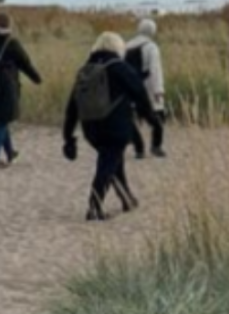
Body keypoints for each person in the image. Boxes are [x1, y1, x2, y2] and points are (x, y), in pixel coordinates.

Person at [64, 32, 163, 220]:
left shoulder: (86, 69)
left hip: (91, 128)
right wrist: (152, 120)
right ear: (118, 47)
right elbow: (140, 95)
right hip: (116, 125)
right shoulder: (120, 68)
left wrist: (68, 136)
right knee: (108, 162)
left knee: (113, 160)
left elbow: (72, 105)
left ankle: (127, 198)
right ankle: (94, 206)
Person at [0, 13, 43, 168]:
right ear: (8, 26)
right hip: (6, 86)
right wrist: (37, 79)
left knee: (1, 119)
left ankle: (10, 152)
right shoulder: (11, 42)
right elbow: (25, 63)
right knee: (2, 121)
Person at [124, 18, 167, 159]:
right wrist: (158, 90)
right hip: (147, 88)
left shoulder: (127, 46)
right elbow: (155, 70)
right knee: (157, 119)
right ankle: (156, 146)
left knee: (130, 118)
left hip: (129, 88)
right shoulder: (151, 47)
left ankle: (138, 148)